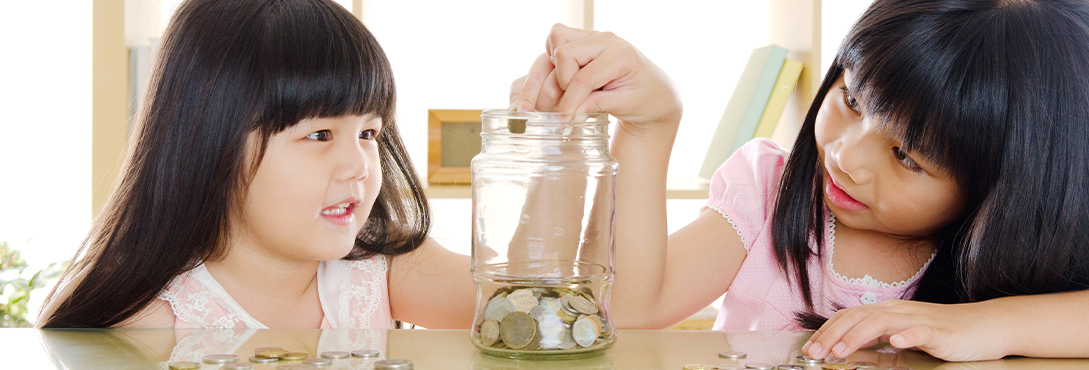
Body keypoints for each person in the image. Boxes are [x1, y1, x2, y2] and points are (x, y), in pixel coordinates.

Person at [510, 0, 1089, 361]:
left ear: (1008, 190)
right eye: (852, 99)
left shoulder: (1023, 256)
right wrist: (649, 129)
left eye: (907, 157)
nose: (844, 155)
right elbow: (630, 309)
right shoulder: (769, 188)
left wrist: (987, 323)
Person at [37, 0, 475, 330]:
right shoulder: (143, 320)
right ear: (212, 143)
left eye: (368, 134)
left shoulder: (384, 268)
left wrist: (542, 140)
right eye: (319, 135)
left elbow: (524, 300)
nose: (358, 166)